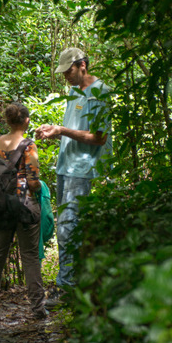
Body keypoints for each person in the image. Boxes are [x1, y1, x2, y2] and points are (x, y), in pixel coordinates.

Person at [35, 47, 112, 301]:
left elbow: (99, 139)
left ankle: (67, 286)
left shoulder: (99, 92)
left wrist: (62, 131)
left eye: (69, 71)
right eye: (63, 72)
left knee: (69, 226)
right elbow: (72, 126)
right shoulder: (73, 90)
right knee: (65, 226)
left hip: (83, 168)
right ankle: (74, 280)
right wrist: (52, 129)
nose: (66, 76)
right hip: (65, 165)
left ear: (82, 65)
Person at [0, 102, 48, 322]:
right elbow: (33, 180)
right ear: (26, 121)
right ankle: (38, 308)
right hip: (24, 205)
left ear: (7, 121)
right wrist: (39, 188)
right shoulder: (29, 145)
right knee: (29, 257)